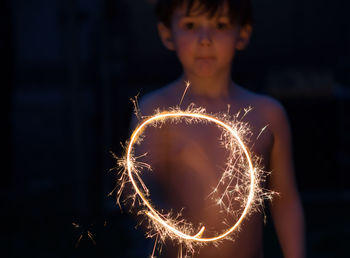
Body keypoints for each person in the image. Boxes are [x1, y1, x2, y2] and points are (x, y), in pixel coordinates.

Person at [132, 0, 305, 257]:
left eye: (220, 25)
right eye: (191, 25)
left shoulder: (267, 114)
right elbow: (140, 198)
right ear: (167, 34)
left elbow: (285, 200)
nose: (205, 39)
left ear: (242, 34)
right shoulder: (156, 113)